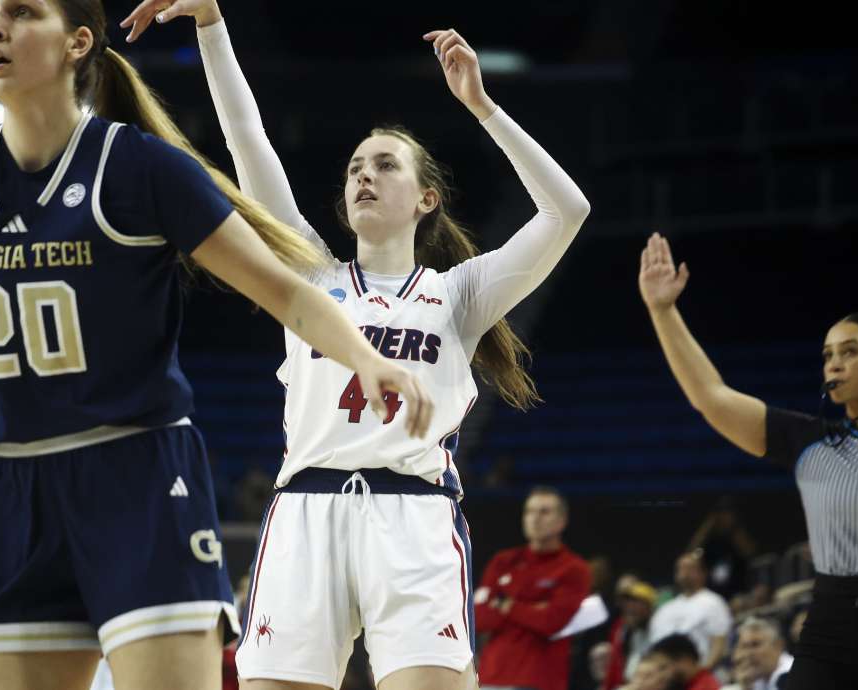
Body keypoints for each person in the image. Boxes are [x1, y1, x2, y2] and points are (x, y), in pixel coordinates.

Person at [0, 2, 435, 689]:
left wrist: (369, 360)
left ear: (77, 42)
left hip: (139, 476)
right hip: (11, 488)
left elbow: (284, 290)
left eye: (21, 13)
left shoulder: (142, 168)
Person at [121, 2, 592, 688]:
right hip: (304, 512)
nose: (364, 175)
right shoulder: (309, 276)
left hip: (413, 519)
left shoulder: (457, 294)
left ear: (427, 198)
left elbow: (567, 210)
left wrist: (483, 107)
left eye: (384, 165)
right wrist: (212, 28)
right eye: (354, 168)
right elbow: (250, 145)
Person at [638, 232, 858, 690]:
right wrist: (664, 311)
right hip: (828, 625)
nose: (834, 364)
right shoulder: (806, 439)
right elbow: (711, 397)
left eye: (850, 352)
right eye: (827, 355)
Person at [474, 487, 592, 690]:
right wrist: (534, 607)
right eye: (529, 511)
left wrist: (505, 604)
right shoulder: (503, 561)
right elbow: (479, 617)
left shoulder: (574, 568)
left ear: (562, 521)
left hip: (540, 679)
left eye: (544, 512)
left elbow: (551, 622)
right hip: (491, 676)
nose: (535, 519)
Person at [648, 552, 732, 671]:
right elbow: (654, 649)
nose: (685, 573)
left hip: (699, 673)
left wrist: (702, 674)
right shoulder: (664, 609)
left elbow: (719, 643)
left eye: (690, 568)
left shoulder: (714, 602)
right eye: (681, 568)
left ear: (703, 573)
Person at [603, 578, 660, 689]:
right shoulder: (626, 632)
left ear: (650, 607)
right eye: (627, 603)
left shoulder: (660, 633)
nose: (629, 607)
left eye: (636, 603)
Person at [721, 617, 793, 690]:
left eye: (755, 645)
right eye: (744, 646)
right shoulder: (758, 678)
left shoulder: (795, 674)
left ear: (778, 645)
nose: (748, 653)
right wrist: (745, 686)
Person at [643, 634, 720, 690]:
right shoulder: (688, 684)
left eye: (663, 667)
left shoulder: (705, 687)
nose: (661, 676)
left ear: (685, 661)